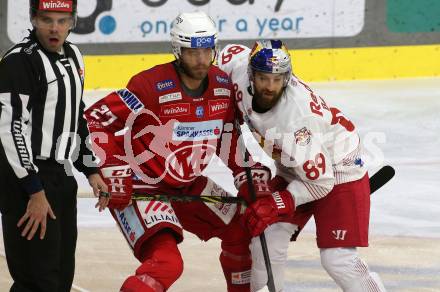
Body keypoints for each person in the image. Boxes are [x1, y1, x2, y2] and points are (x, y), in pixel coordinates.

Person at [85, 11, 271, 292]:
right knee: (166, 263)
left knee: (241, 230)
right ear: (177, 50)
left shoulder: (222, 86)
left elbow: (227, 137)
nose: (201, 59)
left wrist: (246, 171)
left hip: (187, 184)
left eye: (207, 50)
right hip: (141, 186)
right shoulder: (148, 86)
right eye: (192, 52)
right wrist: (111, 168)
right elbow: (94, 121)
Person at [218, 40, 387, 291]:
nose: (270, 86)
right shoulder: (237, 65)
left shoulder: (296, 121)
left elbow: (322, 181)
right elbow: (223, 58)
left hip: (339, 170)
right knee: (267, 234)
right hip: (295, 165)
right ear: (251, 73)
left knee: (337, 259)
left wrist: (280, 202)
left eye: (278, 79)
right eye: (264, 78)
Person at [0, 1, 107, 291]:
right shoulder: (19, 61)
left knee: (60, 275)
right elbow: (11, 131)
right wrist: (34, 190)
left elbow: (75, 115)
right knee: (36, 279)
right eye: (47, 19)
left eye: (62, 20)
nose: (54, 28)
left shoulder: (74, 55)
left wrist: (91, 168)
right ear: (34, 19)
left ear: (73, 21)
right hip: (25, 180)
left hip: (62, 175)